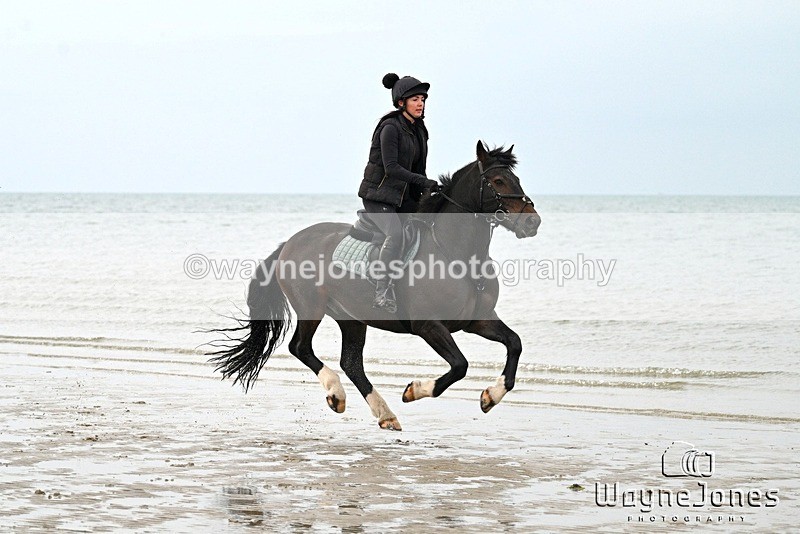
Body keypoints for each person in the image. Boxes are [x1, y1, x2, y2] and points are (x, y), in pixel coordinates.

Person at [358, 72, 439, 312]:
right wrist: (423, 181)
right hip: (378, 196)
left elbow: (419, 170)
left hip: (403, 197)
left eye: (422, 99)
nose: (420, 104)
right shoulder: (390, 128)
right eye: (415, 99)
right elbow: (391, 168)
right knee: (395, 234)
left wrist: (428, 194)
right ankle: (382, 291)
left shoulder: (420, 131)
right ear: (401, 102)